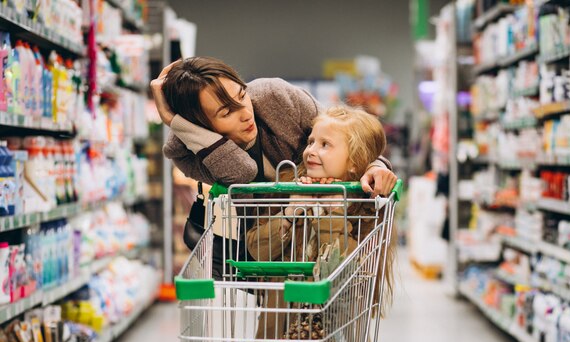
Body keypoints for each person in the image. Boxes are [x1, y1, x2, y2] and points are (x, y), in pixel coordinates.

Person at [150, 56, 397, 278]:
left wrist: (376, 166)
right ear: (200, 128)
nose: (245, 113)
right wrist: (174, 122)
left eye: (242, 95)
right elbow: (241, 173)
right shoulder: (190, 151)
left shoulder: (276, 98)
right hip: (274, 250)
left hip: (330, 239)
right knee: (281, 317)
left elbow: (347, 135)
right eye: (227, 113)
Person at [246, 106, 395, 342]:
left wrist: (333, 215)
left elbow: (352, 271)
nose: (311, 151)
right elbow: (257, 250)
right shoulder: (288, 184)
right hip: (280, 336)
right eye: (311, 142)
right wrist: (289, 212)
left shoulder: (364, 206)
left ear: (355, 162)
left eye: (326, 145)